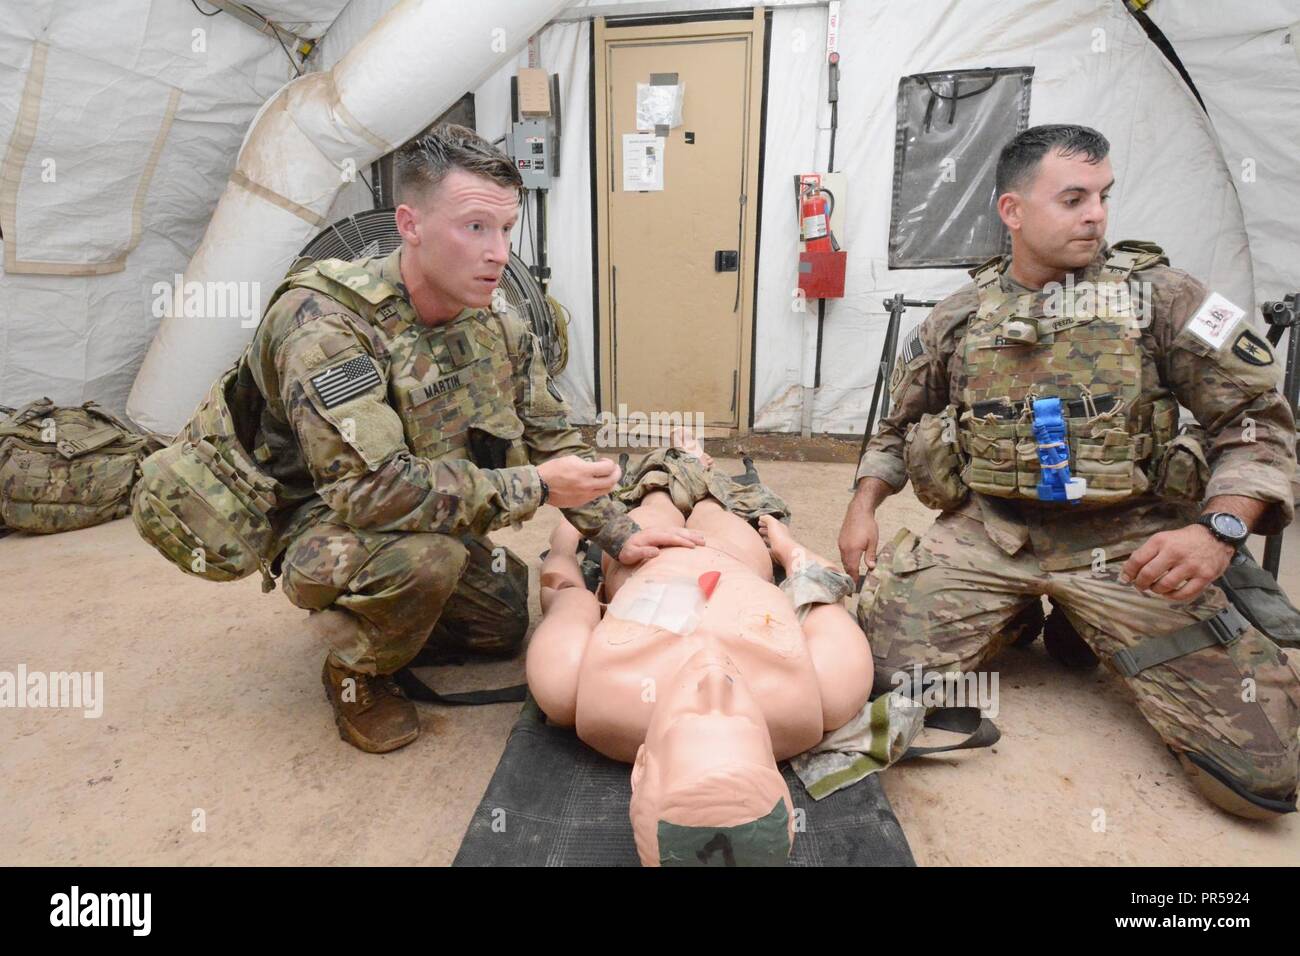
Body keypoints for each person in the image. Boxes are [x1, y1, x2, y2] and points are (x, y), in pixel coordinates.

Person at [839, 124, 1300, 819]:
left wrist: (1218, 529)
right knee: (858, 690)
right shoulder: (960, 316)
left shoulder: (1167, 299)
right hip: (993, 534)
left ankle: (1079, 620)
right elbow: (899, 425)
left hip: (1130, 543)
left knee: (1263, 776)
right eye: (1074, 197)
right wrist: (862, 505)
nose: (1097, 215)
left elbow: (1258, 421)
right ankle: (1020, 613)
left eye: (1104, 196)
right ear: (1013, 212)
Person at [245, 124, 700, 753]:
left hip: (423, 502)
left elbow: (548, 433)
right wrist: (536, 487)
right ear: (410, 225)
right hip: (324, 520)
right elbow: (368, 492)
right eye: (475, 228)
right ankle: (355, 672)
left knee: (505, 623)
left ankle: (388, 612)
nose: (497, 253)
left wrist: (619, 531)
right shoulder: (327, 327)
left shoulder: (495, 324)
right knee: (428, 561)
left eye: (506, 230)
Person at [527, 475, 871, 865]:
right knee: (711, 501)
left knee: (655, 493)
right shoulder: (827, 689)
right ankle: (699, 472)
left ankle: (665, 472)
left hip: (642, 553)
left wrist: (565, 542)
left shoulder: (574, 686)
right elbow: (822, 589)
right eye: (741, 719)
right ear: (777, 771)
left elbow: (567, 594)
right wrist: (785, 545)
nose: (713, 679)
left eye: (691, 715)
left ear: (640, 768)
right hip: (735, 555)